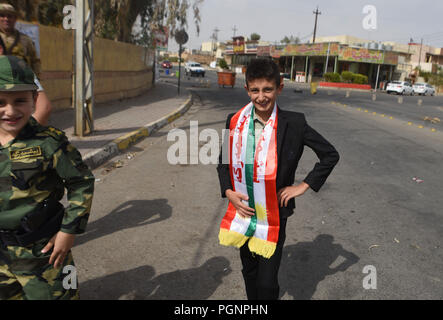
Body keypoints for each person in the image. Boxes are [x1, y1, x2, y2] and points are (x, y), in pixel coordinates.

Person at [217, 58, 340, 300]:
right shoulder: (234, 121)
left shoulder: (294, 123)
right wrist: (229, 192)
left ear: (279, 88)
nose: (261, 97)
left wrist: (302, 186)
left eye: (267, 89)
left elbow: (330, 154)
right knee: (249, 271)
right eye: (255, 90)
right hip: (243, 211)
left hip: (274, 213)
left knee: (267, 282)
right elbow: (223, 162)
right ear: (247, 90)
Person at [0, 55, 95, 300]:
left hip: (44, 253)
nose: (10, 110)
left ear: (34, 100)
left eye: (19, 100)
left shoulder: (49, 141)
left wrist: (68, 232)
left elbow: (81, 182)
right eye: (0, 102)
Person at [0, 3, 52, 126]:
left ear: (15, 19)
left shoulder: (25, 39)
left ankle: (28, 137)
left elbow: (35, 61)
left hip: (23, 79)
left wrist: (35, 81)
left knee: (44, 108)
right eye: (2, 16)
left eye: (10, 16)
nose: (6, 19)